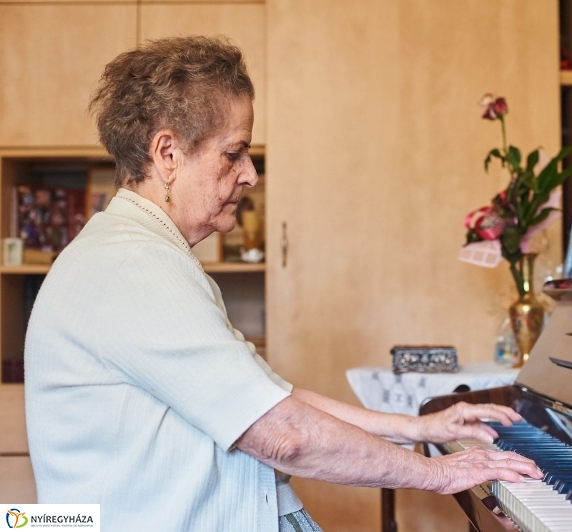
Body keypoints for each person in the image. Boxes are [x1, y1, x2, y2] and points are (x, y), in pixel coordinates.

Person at [24, 36, 541, 532]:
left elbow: (270, 400)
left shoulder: (134, 253)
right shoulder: (133, 267)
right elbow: (285, 435)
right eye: (234, 153)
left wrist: (420, 428)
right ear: (167, 154)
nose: (250, 174)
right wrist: (444, 473)